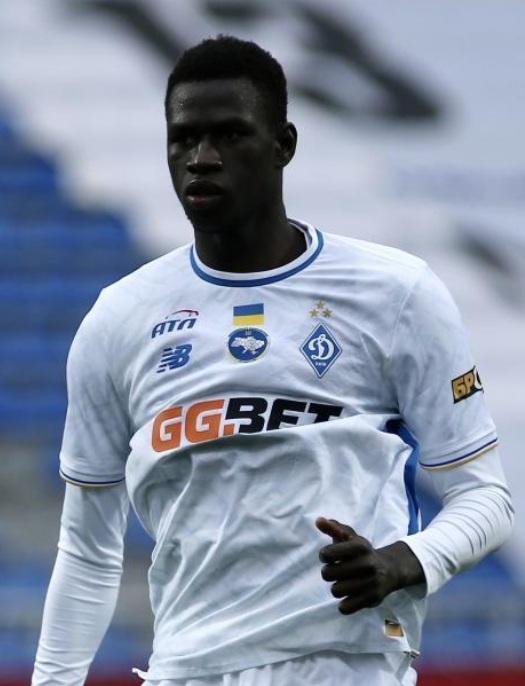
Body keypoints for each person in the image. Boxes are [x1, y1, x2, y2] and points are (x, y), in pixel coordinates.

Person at [32, 36, 513, 686]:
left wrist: (403, 561)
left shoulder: (396, 293)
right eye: (183, 139)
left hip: (345, 666)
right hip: (187, 670)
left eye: (230, 135)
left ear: (283, 144)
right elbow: (88, 550)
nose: (202, 159)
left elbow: (484, 497)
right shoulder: (121, 318)